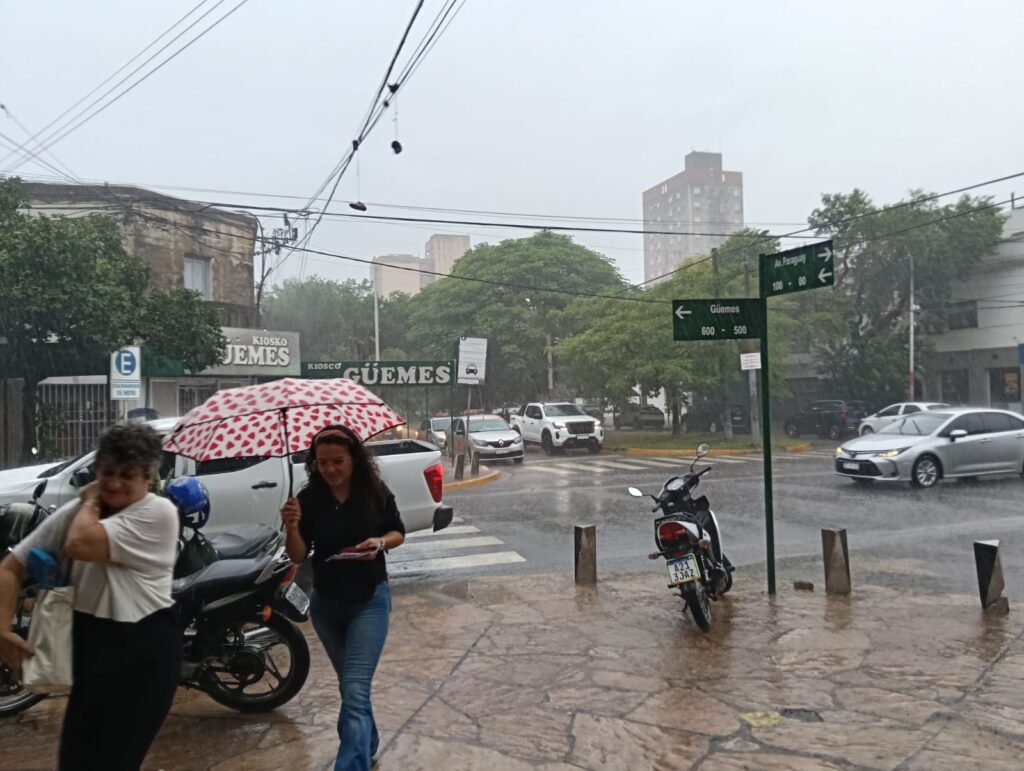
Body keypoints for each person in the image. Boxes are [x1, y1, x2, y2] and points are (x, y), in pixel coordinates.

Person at [0, 423, 180, 771]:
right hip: (91, 646)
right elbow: (9, 568)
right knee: (75, 761)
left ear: (147, 477)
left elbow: (80, 544)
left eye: (126, 475)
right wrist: (2, 629)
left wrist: (91, 499)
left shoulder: (158, 514)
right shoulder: (80, 512)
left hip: (143, 652)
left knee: (115, 761)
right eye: (107, 472)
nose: (114, 483)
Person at [281, 424, 405, 771]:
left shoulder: (374, 493)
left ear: (354, 459)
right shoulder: (308, 499)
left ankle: (351, 764)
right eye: (322, 463)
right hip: (326, 605)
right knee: (351, 687)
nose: (330, 469)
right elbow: (298, 554)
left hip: (369, 599)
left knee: (354, 688)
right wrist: (291, 527)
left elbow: (398, 532)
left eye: (338, 461)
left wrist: (380, 542)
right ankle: (368, 743)